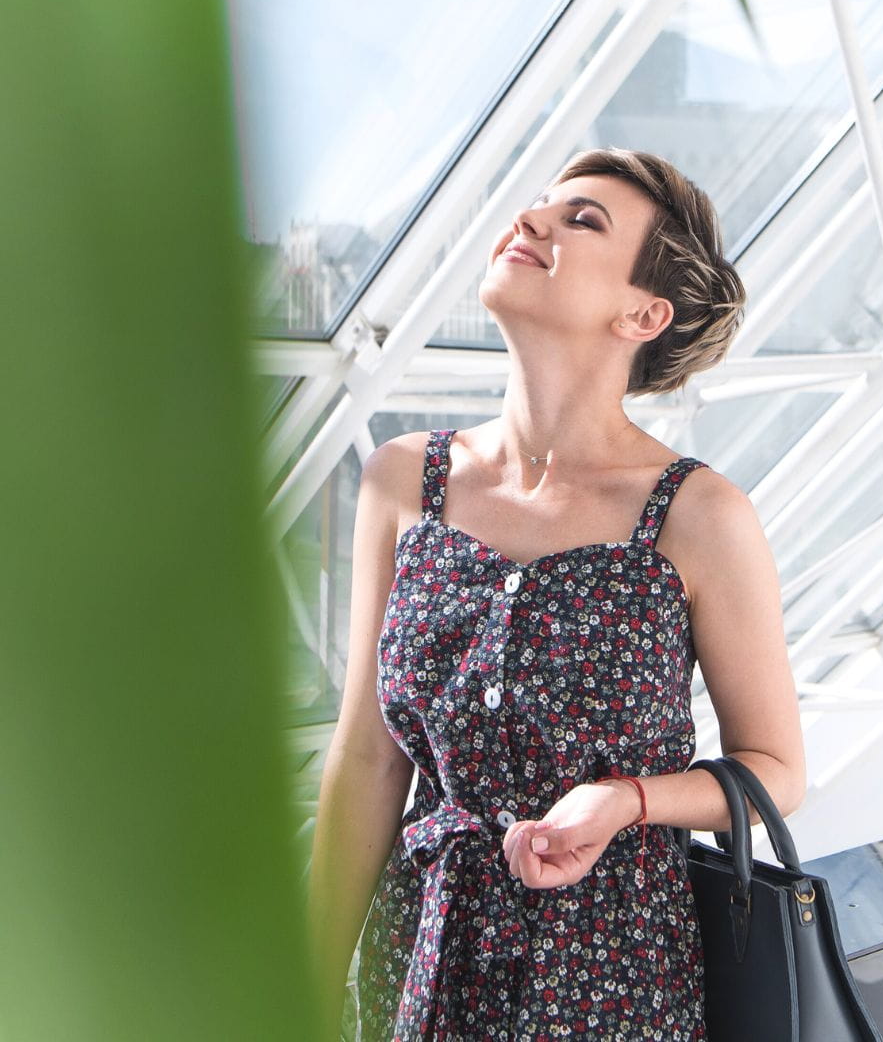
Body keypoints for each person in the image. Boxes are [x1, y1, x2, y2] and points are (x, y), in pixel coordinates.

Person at [307, 147, 806, 1040]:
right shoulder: (401, 483)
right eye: (539, 205)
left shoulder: (699, 516)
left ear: (643, 313)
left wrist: (627, 800)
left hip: (613, 968)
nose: (530, 221)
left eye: (582, 221)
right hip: (422, 946)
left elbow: (776, 769)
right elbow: (367, 762)